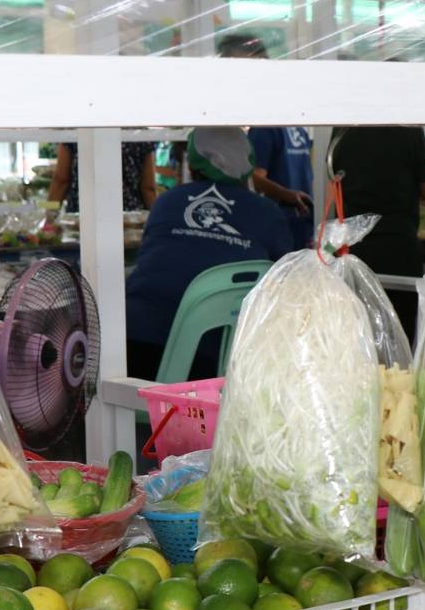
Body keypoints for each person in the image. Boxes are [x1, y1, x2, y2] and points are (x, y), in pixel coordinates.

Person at [123, 127, 292, 379]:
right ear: (247, 166)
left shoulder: (166, 202)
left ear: (191, 165)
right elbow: (287, 280)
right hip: (211, 361)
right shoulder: (267, 214)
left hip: (132, 345)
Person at [328, 125, 425, 337]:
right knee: (399, 335)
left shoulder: (343, 127)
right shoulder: (408, 128)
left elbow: (334, 178)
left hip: (353, 250)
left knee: (357, 334)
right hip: (398, 251)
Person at [217, 33, 315, 249]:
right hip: (298, 220)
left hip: (286, 221)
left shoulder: (267, 125)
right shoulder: (292, 122)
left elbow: (253, 176)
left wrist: (287, 195)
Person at [46, 140, 158, 212]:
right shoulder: (138, 131)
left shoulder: (76, 127)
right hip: (128, 220)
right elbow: (148, 188)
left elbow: (61, 180)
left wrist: (48, 215)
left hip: (83, 218)